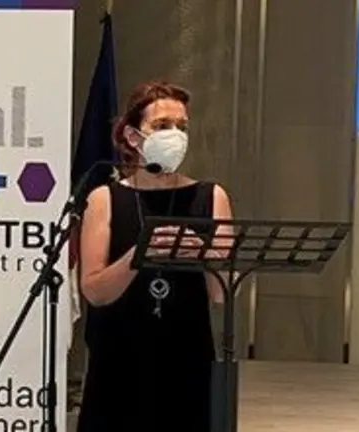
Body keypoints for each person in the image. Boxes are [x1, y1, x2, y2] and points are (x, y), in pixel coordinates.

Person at [76, 79, 234, 431]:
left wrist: (204, 254)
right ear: (133, 137)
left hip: (187, 357)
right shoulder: (105, 199)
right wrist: (140, 253)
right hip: (118, 360)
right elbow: (95, 292)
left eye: (181, 127)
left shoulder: (212, 197)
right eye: (162, 126)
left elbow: (222, 293)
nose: (174, 135)